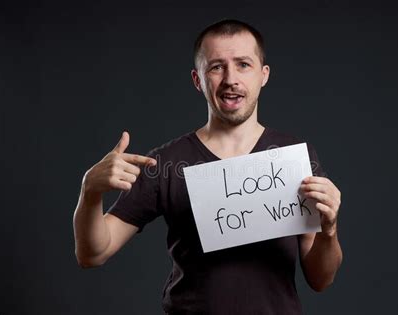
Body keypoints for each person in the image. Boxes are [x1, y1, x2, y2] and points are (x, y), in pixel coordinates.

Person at [73, 19, 342, 314]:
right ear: (198, 79)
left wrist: (328, 230)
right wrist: (90, 192)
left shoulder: (294, 159)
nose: (230, 79)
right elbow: (93, 253)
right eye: (216, 67)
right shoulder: (165, 164)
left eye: (243, 65)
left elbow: (321, 279)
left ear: (263, 75)